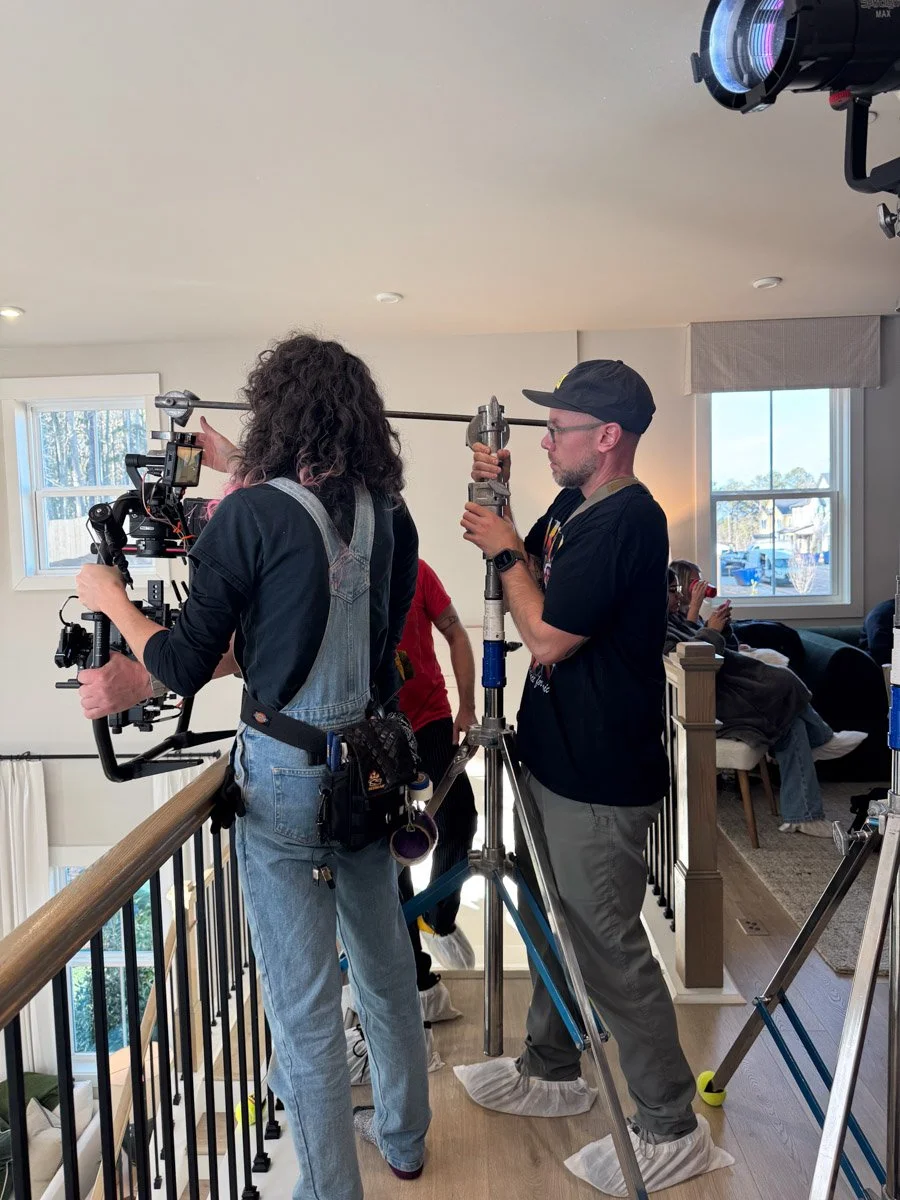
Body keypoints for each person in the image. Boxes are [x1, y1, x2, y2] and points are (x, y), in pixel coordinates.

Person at [75, 333, 431, 1198]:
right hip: (369, 768)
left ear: (275, 413)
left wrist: (111, 599)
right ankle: (405, 1139)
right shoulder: (392, 515)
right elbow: (373, 638)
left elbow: (182, 663)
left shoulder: (246, 518)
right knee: (385, 970)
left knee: (303, 1015)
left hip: (281, 779)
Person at [454, 359, 732, 1195]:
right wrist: (497, 496)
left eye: (558, 429)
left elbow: (545, 635)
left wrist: (507, 550)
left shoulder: (627, 520)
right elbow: (527, 562)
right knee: (556, 920)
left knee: (609, 947)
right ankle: (550, 1067)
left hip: (600, 779)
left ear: (606, 437)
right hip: (554, 759)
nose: (545, 441)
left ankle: (671, 1124)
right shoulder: (577, 506)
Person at [665, 567, 867, 838]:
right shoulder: (656, 631)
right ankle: (820, 745)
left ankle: (804, 814)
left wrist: (722, 629)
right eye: (672, 591)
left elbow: (723, 648)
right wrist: (710, 631)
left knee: (790, 718)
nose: (679, 596)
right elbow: (691, 662)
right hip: (707, 709)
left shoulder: (674, 619)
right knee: (782, 688)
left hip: (724, 695)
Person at [396, 559, 479, 973]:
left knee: (460, 821)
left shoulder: (417, 570)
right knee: (389, 851)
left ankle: (436, 918)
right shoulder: (337, 572)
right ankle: (414, 971)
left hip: (431, 721)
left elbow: (456, 632)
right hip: (376, 730)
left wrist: (467, 706)